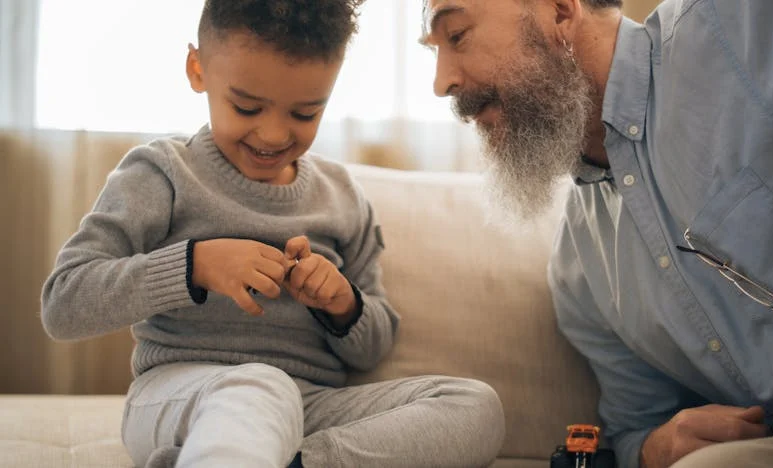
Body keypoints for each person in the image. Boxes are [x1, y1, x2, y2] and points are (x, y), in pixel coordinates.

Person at [40, 1, 506, 467]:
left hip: (310, 410)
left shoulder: (341, 197)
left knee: (474, 405)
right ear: (197, 69)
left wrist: (341, 304)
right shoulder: (162, 173)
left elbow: (373, 347)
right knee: (262, 387)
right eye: (246, 107)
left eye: (305, 114)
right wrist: (195, 265)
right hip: (185, 393)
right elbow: (63, 304)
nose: (272, 134)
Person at [420, 0, 773, 467]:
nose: (441, 82)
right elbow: (634, 428)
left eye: (457, 36)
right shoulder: (579, 271)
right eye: (434, 51)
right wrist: (656, 447)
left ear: (559, 11)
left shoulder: (745, 24)